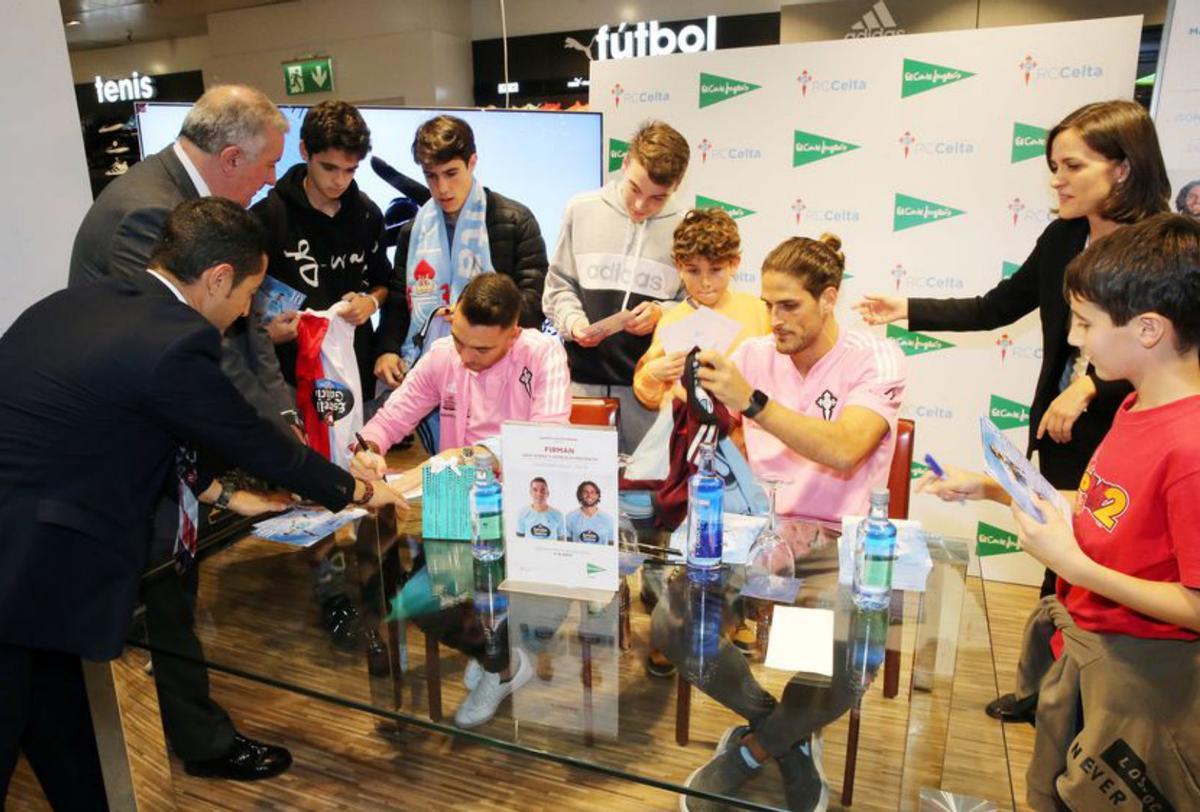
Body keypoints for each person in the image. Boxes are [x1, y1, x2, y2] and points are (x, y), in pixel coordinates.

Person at [0, 199, 404, 809]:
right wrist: (358, 489)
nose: (248, 310)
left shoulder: (77, 302)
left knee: (63, 725)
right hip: (29, 567)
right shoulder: (175, 339)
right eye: (247, 293)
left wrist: (227, 497)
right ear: (217, 278)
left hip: (34, 566)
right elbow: (248, 437)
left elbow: (117, 430)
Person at [853, 99, 1170, 722]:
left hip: (1125, 427)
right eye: (1053, 165)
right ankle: (1046, 690)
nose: (1057, 180)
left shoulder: (1167, 248)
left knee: (1111, 559)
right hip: (1058, 429)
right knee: (1058, 559)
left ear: (1123, 168)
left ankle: (1095, 699)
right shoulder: (1063, 236)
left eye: (1071, 165)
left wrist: (1090, 389)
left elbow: (1176, 351)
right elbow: (1000, 305)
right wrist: (908, 308)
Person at [66, 84, 314, 782]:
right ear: (232, 157)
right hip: (122, 457)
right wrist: (285, 458)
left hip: (156, 445)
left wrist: (284, 425)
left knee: (170, 598)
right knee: (159, 600)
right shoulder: (146, 213)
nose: (273, 179)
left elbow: (248, 329)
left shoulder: (209, 210)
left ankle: (179, 736)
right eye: (268, 164)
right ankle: (186, 747)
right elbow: (191, 367)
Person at [919, 214, 1200, 809]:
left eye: (1086, 323)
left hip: (1146, 683)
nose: (1075, 339)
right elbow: (1108, 510)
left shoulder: (1191, 446)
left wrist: (1077, 567)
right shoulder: (1139, 408)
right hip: (1092, 657)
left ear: (1148, 329)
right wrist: (995, 490)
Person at [697, 234, 906, 524]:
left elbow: (845, 449)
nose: (775, 321)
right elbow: (705, 427)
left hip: (843, 541)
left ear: (828, 300)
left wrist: (752, 403)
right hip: (762, 530)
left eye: (789, 306)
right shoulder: (752, 354)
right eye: (768, 306)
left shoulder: (876, 357)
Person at [373, 115, 548, 422]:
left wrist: (478, 317)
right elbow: (400, 301)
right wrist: (386, 350)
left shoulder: (515, 221)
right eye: (431, 176)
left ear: (472, 162)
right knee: (443, 468)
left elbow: (534, 304)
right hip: (429, 378)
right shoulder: (413, 232)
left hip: (499, 378)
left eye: (451, 173)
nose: (442, 188)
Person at [542, 120, 691, 453]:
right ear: (625, 164)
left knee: (649, 493)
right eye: (635, 188)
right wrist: (573, 323)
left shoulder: (685, 225)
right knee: (578, 490)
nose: (641, 206)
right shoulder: (581, 209)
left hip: (650, 391)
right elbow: (558, 285)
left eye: (657, 198)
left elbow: (695, 305)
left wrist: (660, 313)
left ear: (677, 186)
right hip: (581, 385)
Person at [252, 100, 390, 398]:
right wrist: (265, 337)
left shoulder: (367, 214)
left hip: (355, 372)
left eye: (350, 170)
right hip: (290, 377)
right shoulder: (267, 217)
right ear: (305, 152)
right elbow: (237, 302)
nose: (339, 180)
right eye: (329, 167)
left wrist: (371, 303)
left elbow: (385, 284)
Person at [632, 207, 770, 416]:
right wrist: (653, 373)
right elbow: (648, 393)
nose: (705, 282)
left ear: (734, 264)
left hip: (752, 438)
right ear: (679, 267)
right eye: (693, 271)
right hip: (693, 438)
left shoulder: (760, 312)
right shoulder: (671, 321)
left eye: (716, 270)